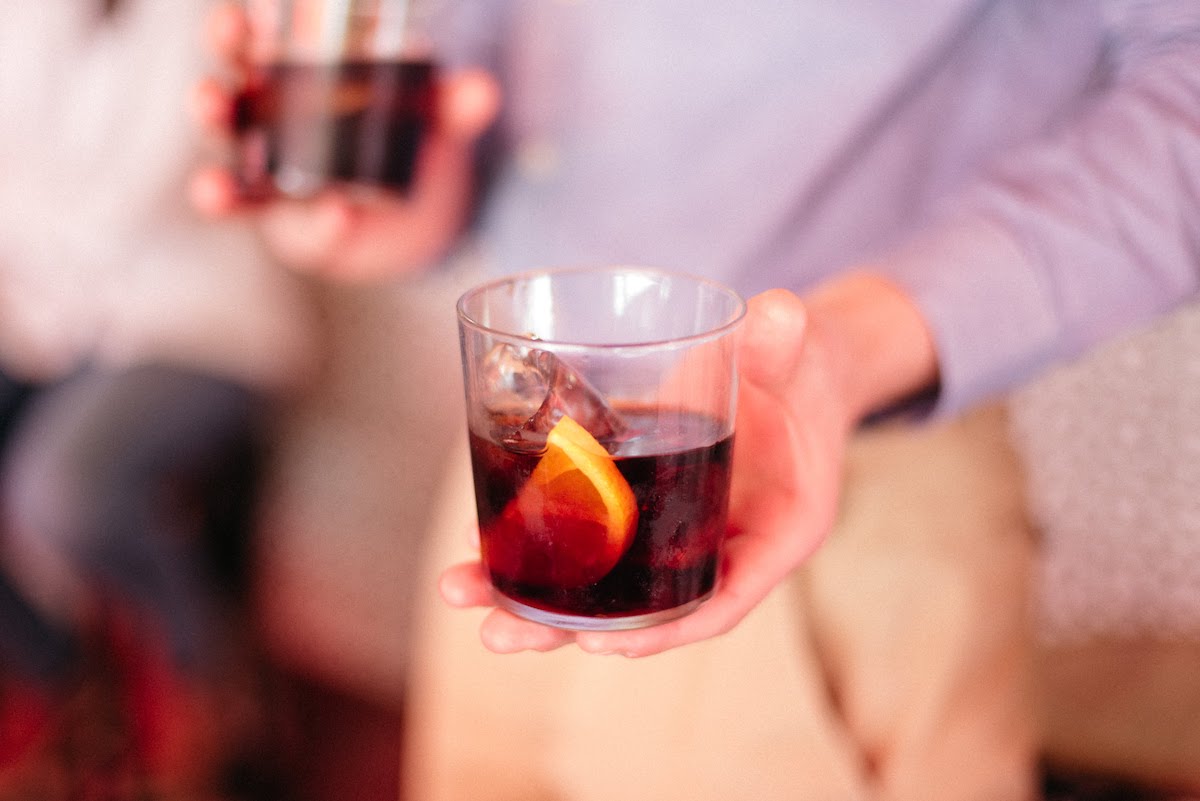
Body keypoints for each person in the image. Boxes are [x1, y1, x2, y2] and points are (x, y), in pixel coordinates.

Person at [191, 1, 1200, 797]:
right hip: (523, 497)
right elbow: (478, 104)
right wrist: (383, 205)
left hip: (816, 499)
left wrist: (849, 341)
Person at [0, 0, 322, 793]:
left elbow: (146, 187)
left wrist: (36, 222)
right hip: (53, 317)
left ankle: (209, 678)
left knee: (63, 495)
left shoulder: (215, 17)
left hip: (202, 325)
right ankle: (65, 677)